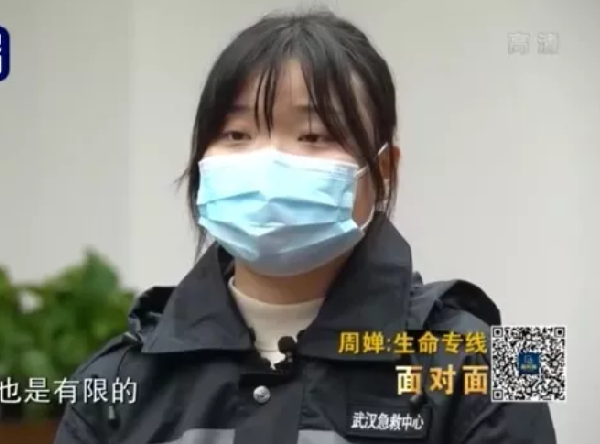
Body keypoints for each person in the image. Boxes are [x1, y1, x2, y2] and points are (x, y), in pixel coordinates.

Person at [54, 9, 557, 444]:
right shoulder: (114, 379)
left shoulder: (499, 362)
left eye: (314, 135)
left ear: (383, 170)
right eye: (237, 134)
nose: (269, 163)